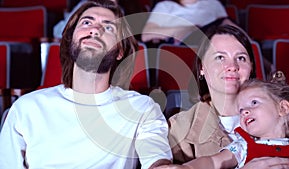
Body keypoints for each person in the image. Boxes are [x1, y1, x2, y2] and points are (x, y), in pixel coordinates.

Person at [0, 0, 172, 168]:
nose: (95, 30)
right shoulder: (26, 108)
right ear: (70, 40)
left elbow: (156, 159)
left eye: (108, 27)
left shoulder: (142, 108)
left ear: (120, 51)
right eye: (87, 22)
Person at [161, 25, 289, 168]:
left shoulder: (284, 117)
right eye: (220, 57)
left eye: (241, 58)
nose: (232, 66)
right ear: (201, 68)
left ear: (251, 68)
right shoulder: (178, 129)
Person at [160, 73, 289, 168]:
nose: (244, 111)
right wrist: (187, 168)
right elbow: (213, 162)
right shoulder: (242, 145)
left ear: (283, 108)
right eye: (240, 110)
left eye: (254, 103)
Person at [141, 0, 239, 45]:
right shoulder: (165, 6)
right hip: (182, 47)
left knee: (225, 23)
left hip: (212, 44)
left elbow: (229, 27)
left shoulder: (213, 3)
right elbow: (146, 35)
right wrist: (185, 29)